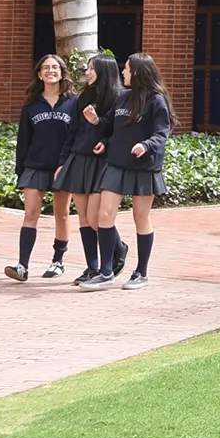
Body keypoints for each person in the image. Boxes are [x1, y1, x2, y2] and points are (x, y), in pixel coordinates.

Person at [80, 53, 171, 292]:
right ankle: (106, 272)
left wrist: (145, 145)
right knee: (104, 215)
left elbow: (161, 134)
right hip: (116, 164)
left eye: (127, 69)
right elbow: (110, 127)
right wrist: (96, 124)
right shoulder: (122, 97)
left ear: (139, 72)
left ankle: (141, 272)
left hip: (144, 167)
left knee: (140, 217)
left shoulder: (156, 100)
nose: (123, 73)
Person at [5, 55, 77, 282]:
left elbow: (77, 137)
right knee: (30, 213)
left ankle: (58, 261)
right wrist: (20, 172)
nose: (50, 71)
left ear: (62, 72)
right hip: (35, 166)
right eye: (46, 68)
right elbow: (23, 141)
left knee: (62, 214)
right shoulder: (31, 105)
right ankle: (22, 265)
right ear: (39, 74)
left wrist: (68, 164)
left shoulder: (74, 102)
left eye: (55, 67)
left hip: (62, 167)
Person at [55, 54, 120, 285]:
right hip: (78, 159)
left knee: (95, 217)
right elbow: (72, 132)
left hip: (101, 162)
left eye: (92, 68)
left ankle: (117, 251)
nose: (88, 72)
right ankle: (92, 267)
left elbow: (118, 132)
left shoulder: (118, 98)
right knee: (83, 217)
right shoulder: (84, 97)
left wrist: (105, 139)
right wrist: (63, 161)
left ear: (104, 71)